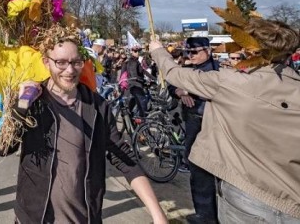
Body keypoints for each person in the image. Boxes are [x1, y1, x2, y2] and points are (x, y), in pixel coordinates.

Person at [0, 26, 167, 223]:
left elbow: (124, 158)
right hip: (34, 216)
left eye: (76, 62)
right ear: (46, 62)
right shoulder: (34, 103)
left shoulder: (97, 106)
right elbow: (3, 147)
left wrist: (158, 214)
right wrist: (21, 106)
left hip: (84, 217)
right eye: (60, 62)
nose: (69, 70)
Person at [149, 18, 300, 223]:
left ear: (251, 50)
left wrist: (158, 50)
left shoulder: (229, 81)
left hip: (246, 196)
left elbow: (173, 73)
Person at [168, 37, 219, 223]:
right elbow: (172, 82)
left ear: (208, 50)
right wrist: (180, 92)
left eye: (195, 52)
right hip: (193, 123)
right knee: (197, 169)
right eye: (187, 52)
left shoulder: (219, 69)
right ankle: (204, 214)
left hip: (213, 124)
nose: (190, 56)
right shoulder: (187, 68)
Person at [121, 46, 149, 117]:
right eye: (135, 51)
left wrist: (152, 78)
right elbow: (134, 75)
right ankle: (143, 123)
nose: (138, 53)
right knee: (142, 105)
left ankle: (134, 121)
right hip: (134, 85)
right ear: (131, 52)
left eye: (139, 51)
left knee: (134, 104)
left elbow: (143, 71)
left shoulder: (135, 61)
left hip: (132, 85)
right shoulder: (132, 62)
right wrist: (142, 80)